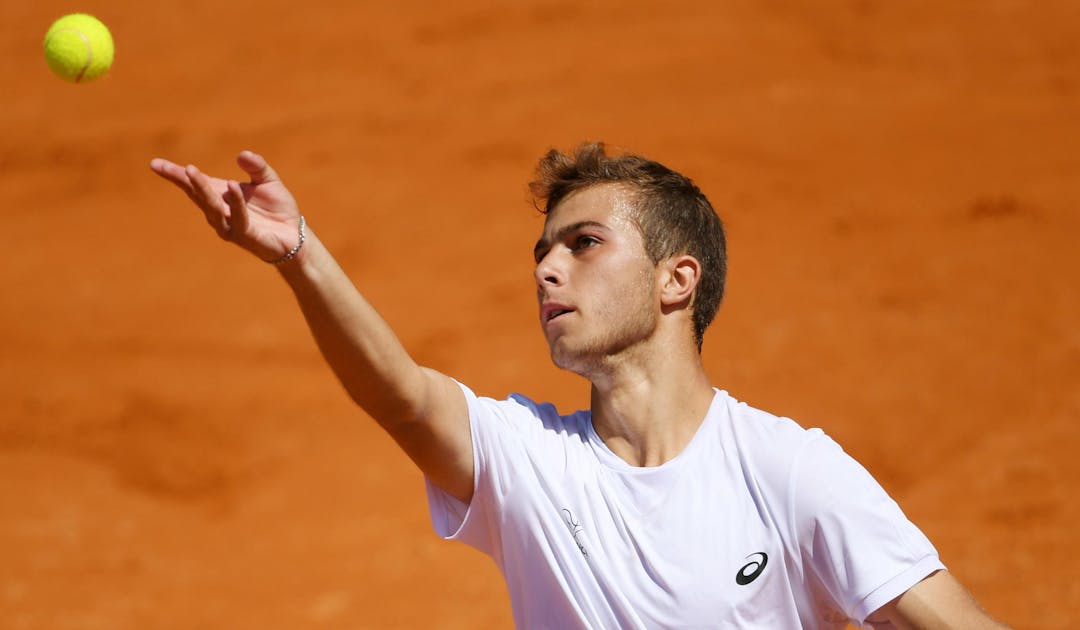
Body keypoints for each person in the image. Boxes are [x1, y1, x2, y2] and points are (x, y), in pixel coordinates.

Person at [150, 143, 1009, 629]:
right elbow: (402, 398)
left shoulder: (788, 474)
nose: (548, 271)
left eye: (584, 244)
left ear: (678, 281)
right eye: (541, 253)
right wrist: (300, 255)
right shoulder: (533, 460)